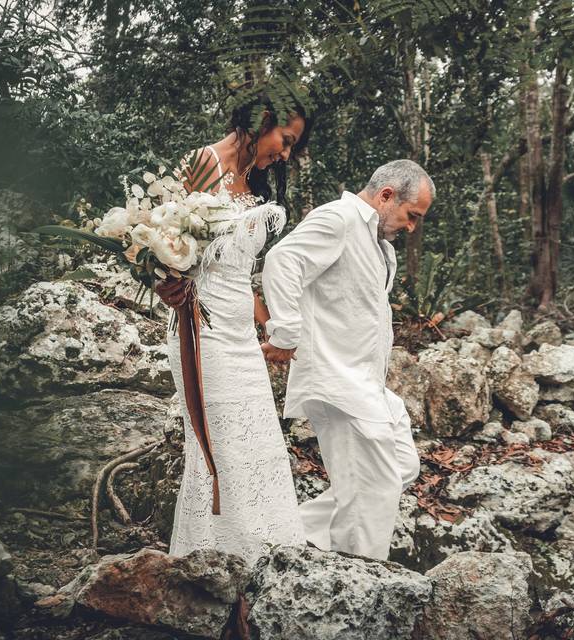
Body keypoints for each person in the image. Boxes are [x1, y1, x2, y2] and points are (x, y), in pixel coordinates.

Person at [154, 94, 310, 562]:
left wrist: (273, 329)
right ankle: (212, 560)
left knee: (258, 446)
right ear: (263, 122)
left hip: (242, 335)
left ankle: (264, 558)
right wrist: (166, 284)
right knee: (221, 450)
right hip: (202, 330)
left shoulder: (256, 185)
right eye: (286, 141)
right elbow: (163, 247)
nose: (285, 154)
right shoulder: (201, 164)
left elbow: (239, 273)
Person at [260, 159, 434, 560]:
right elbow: (283, 260)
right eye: (412, 216)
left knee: (401, 466)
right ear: (386, 195)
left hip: (367, 385)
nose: (412, 227)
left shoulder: (378, 245)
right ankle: (362, 573)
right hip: (338, 381)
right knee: (372, 490)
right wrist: (285, 332)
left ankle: (292, 531)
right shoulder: (339, 218)